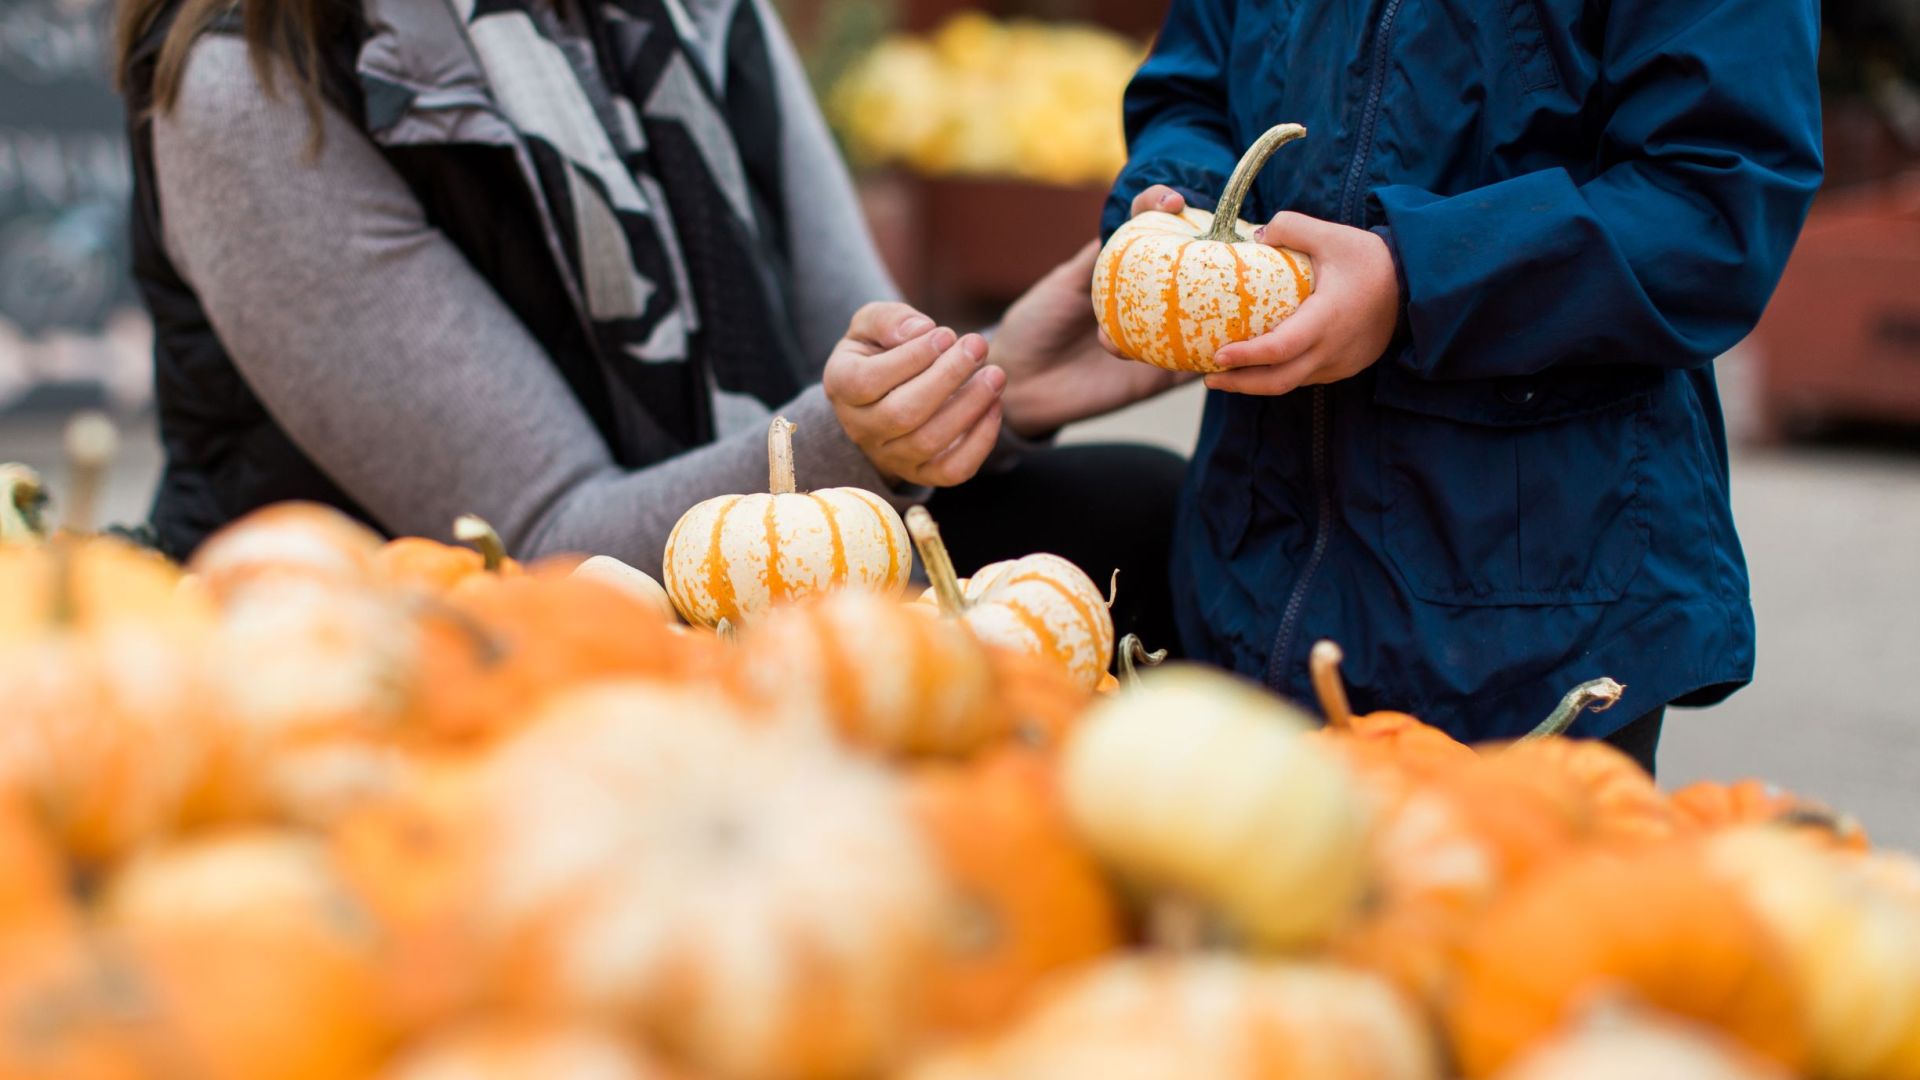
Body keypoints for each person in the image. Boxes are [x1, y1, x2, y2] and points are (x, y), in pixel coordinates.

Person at [112, 0, 1185, 644]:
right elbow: (545, 550)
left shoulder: (695, 14)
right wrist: (857, 438)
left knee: (1151, 517)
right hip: (428, 651)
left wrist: (986, 387)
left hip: (739, 554)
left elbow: (849, 347)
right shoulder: (252, 78)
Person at [1102, 0, 1824, 769]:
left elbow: (1712, 200)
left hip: (1541, 622)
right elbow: (1189, 88)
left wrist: (1416, 278)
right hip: (1245, 568)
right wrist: (1182, 203)